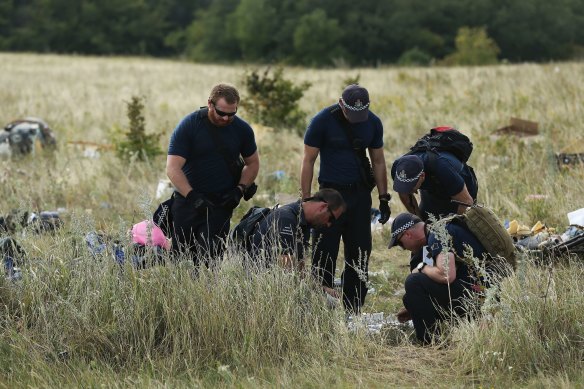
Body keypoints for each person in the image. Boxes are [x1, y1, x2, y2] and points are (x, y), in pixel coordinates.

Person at [301, 84, 390, 313]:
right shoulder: (322, 121)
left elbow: (378, 161)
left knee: (359, 253)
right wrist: (307, 199)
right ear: (342, 104)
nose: (357, 119)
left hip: (360, 195)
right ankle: (321, 308)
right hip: (330, 195)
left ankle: (353, 310)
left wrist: (383, 198)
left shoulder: (373, 123)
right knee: (324, 252)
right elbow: (308, 161)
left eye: (362, 114)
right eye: (352, 114)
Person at [166, 83, 259, 265]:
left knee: (210, 259)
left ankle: (208, 291)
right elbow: (172, 168)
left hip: (221, 203)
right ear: (210, 103)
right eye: (221, 113)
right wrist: (193, 196)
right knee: (181, 257)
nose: (226, 118)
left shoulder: (242, 129)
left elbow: (253, 163)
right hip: (187, 201)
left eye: (232, 114)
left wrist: (239, 190)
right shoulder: (190, 125)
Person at [387, 212, 487, 344]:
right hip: (475, 292)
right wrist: (415, 308)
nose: (404, 248)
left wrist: (422, 267)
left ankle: (429, 342)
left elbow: (446, 276)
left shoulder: (438, 234)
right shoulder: (429, 240)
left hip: (480, 297)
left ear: (408, 234)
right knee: (410, 298)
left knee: (413, 282)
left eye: (400, 243)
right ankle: (435, 337)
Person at [249, 188, 346, 272]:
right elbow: (286, 268)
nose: (329, 224)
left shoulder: (305, 222)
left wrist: (319, 288)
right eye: (331, 218)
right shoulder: (286, 218)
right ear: (323, 207)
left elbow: (299, 269)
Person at [390, 147, 478, 222]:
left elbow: (466, 203)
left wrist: (453, 228)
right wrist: (420, 222)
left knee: (455, 228)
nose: (406, 189)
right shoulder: (398, 168)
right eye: (403, 185)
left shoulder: (443, 168)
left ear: (422, 176)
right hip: (433, 186)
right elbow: (404, 194)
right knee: (427, 222)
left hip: (462, 190)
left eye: (410, 185)